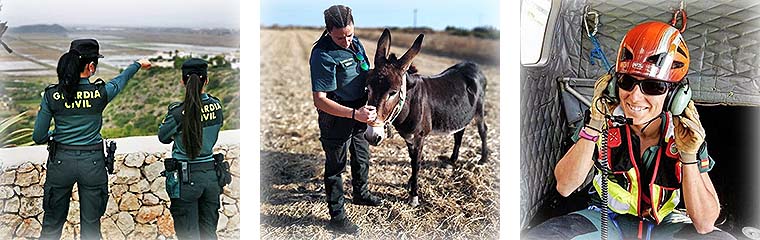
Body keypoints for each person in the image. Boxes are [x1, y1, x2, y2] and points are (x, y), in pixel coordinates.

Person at [525, 21, 735, 239]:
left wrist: (689, 155)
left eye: (653, 86)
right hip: (605, 216)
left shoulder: (686, 134)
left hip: (665, 222)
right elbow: (565, 186)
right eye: (627, 82)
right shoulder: (600, 120)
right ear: (614, 86)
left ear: (674, 96)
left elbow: (705, 223)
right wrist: (595, 124)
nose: (634, 97)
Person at [32, 39, 151, 239]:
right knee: (91, 227)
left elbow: (38, 136)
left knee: (52, 226)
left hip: (60, 163)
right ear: (91, 66)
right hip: (93, 164)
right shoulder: (100, 93)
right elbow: (120, 80)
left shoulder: (52, 95)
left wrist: (54, 134)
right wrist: (137, 64)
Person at [310, 4, 382, 234]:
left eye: (350, 34)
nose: (347, 40)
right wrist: (352, 113)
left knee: (362, 156)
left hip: (360, 111)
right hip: (337, 116)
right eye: (340, 37)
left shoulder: (355, 42)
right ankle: (337, 217)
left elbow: (364, 70)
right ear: (328, 30)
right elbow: (320, 100)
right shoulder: (322, 54)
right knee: (336, 167)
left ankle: (361, 194)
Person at [158, 58, 225, 239]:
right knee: (209, 233)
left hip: (186, 180)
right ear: (206, 80)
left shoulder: (178, 112)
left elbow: (163, 136)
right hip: (211, 177)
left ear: (183, 81)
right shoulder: (217, 106)